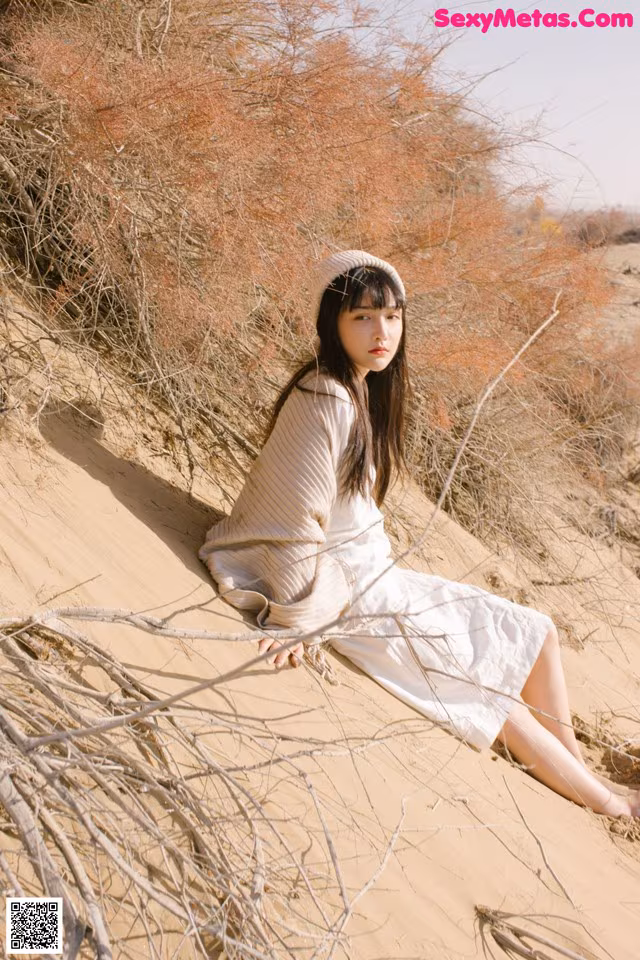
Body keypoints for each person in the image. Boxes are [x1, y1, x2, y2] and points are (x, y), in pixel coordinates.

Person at [199, 249, 639, 819]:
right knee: (490, 696)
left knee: (537, 632)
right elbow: (294, 520)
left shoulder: (361, 388)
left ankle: (573, 767)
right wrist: (302, 619)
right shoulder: (325, 397)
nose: (381, 332)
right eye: (361, 317)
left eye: (392, 316)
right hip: (351, 599)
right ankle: (616, 809)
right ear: (331, 322)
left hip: (384, 581)